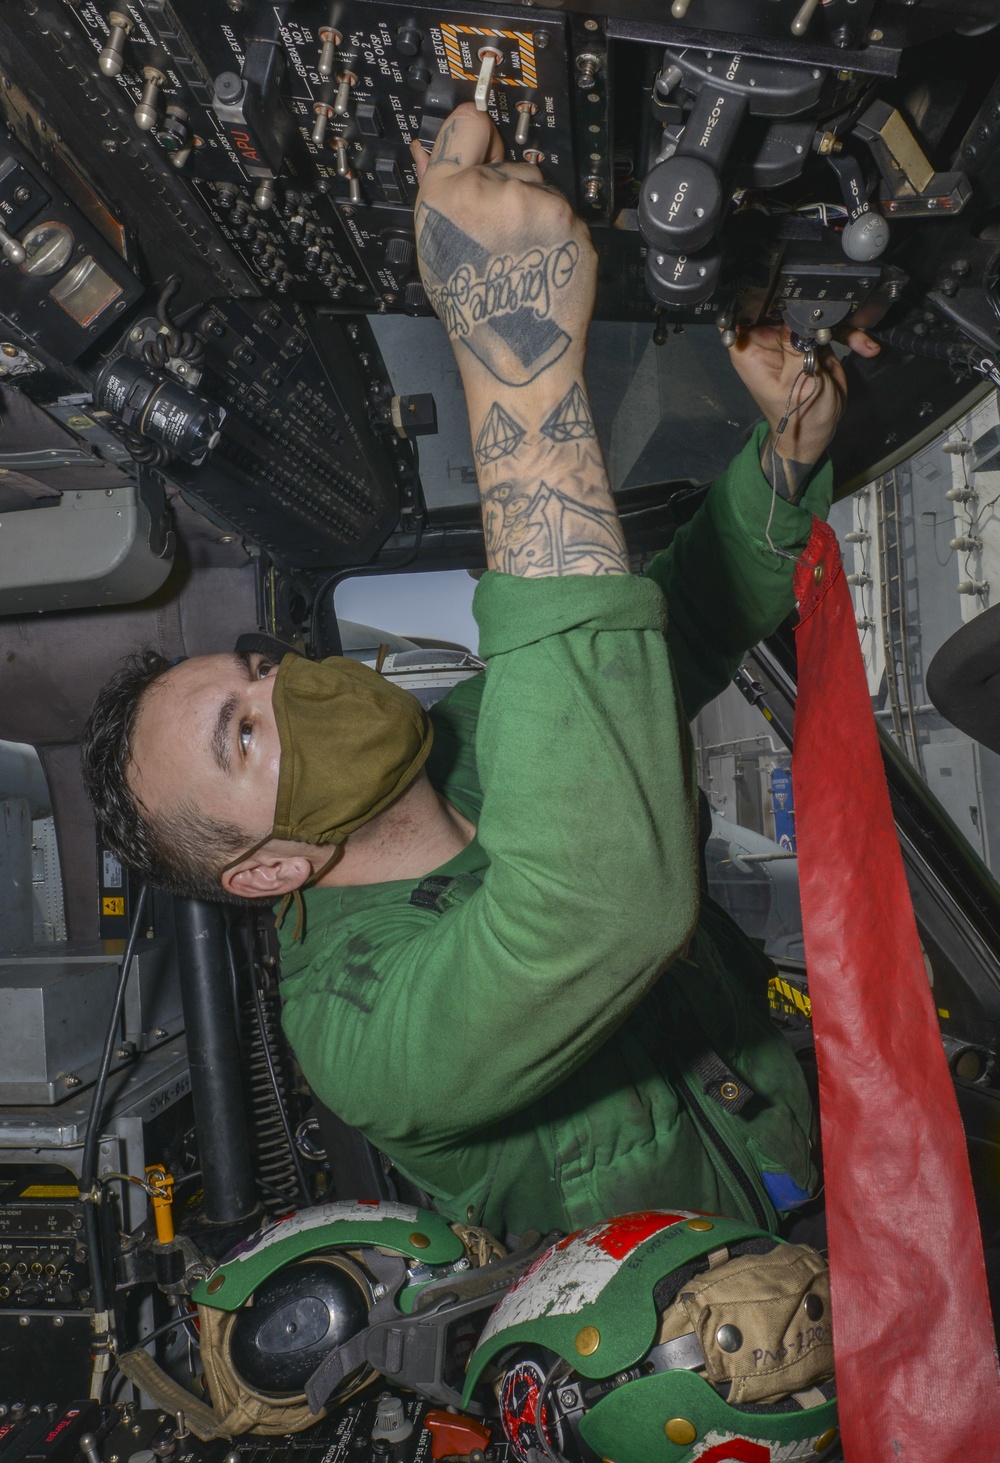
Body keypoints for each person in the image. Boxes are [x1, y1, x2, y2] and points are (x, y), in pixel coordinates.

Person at [82, 104, 879, 1240]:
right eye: (245, 735)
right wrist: (515, 357)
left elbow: (676, 630)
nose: (284, 684)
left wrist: (785, 460)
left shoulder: (460, 748)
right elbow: (599, 907)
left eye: (254, 671)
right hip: (722, 1337)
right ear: (268, 873)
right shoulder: (359, 1036)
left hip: (829, 1154)